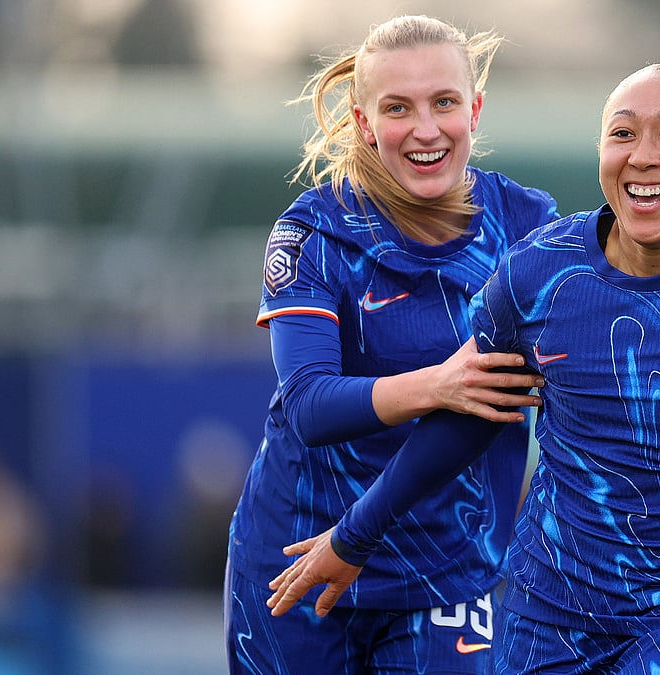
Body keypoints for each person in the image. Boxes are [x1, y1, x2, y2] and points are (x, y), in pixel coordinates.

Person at [266, 62, 660, 674]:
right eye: (623, 133)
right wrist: (354, 537)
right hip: (548, 610)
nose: (644, 155)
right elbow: (472, 419)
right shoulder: (534, 276)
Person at [224, 15, 558, 674]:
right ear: (364, 121)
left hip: (449, 567)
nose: (426, 129)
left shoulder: (528, 228)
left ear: (475, 109)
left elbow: (496, 406)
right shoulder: (312, 234)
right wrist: (439, 383)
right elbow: (311, 406)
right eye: (398, 107)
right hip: (298, 559)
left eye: (444, 103)